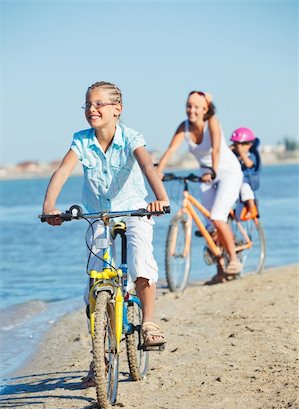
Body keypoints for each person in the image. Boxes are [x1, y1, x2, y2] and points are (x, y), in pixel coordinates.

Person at [42, 81, 170, 386]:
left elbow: (148, 166)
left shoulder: (130, 137)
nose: (92, 109)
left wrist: (160, 198)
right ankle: (98, 354)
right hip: (98, 214)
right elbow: (61, 172)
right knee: (96, 280)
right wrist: (50, 206)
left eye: (99, 104)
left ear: (117, 109)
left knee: (140, 262)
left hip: (136, 210)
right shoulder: (81, 141)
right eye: (88, 104)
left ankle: (149, 323)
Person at [157, 90, 243, 281]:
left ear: (205, 109)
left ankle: (234, 259)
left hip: (227, 171)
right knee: (208, 226)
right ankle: (221, 270)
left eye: (196, 107)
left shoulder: (212, 122)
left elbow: (216, 150)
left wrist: (213, 170)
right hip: (205, 174)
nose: (191, 110)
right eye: (189, 106)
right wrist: (158, 171)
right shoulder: (184, 127)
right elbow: (171, 149)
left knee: (218, 216)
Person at [230, 127, 261, 219]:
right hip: (235, 180)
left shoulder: (251, 155)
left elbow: (249, 164)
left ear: (249, 145)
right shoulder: (234, 155)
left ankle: (252, 208)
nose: (237, 147)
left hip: (249, 180)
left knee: (244, 187)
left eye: (239, 145)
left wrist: (241, 153)